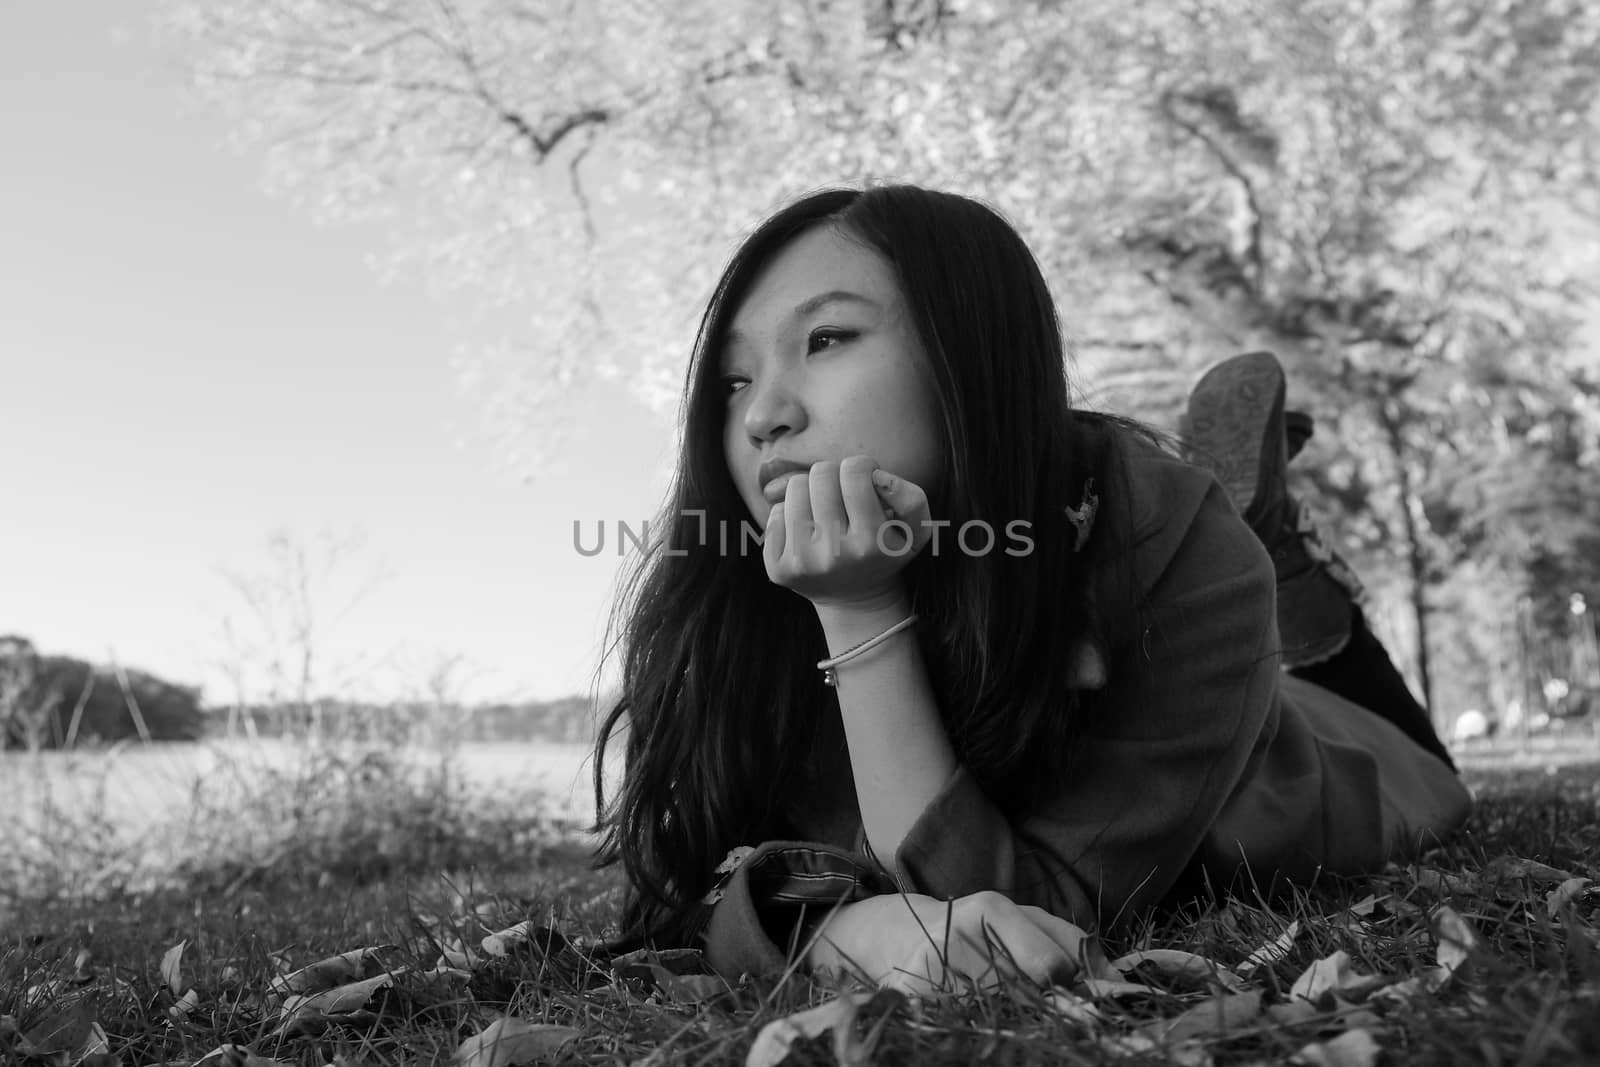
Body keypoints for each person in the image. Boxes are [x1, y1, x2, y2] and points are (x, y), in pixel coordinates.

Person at [589, 184, 1472, 995]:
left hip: (1307, 765)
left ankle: (1276, 558)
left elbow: (1027, 915)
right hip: (1219, 676)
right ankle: (1276, 548)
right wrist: (840, 927)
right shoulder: (744, 589)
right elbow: (696, 877)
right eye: (735, 377)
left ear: (969, 353)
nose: (760, 414)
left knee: (1419, 763)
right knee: (1267, 649)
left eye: (825, 339)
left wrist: (861, 615)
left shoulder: (1165, 533)